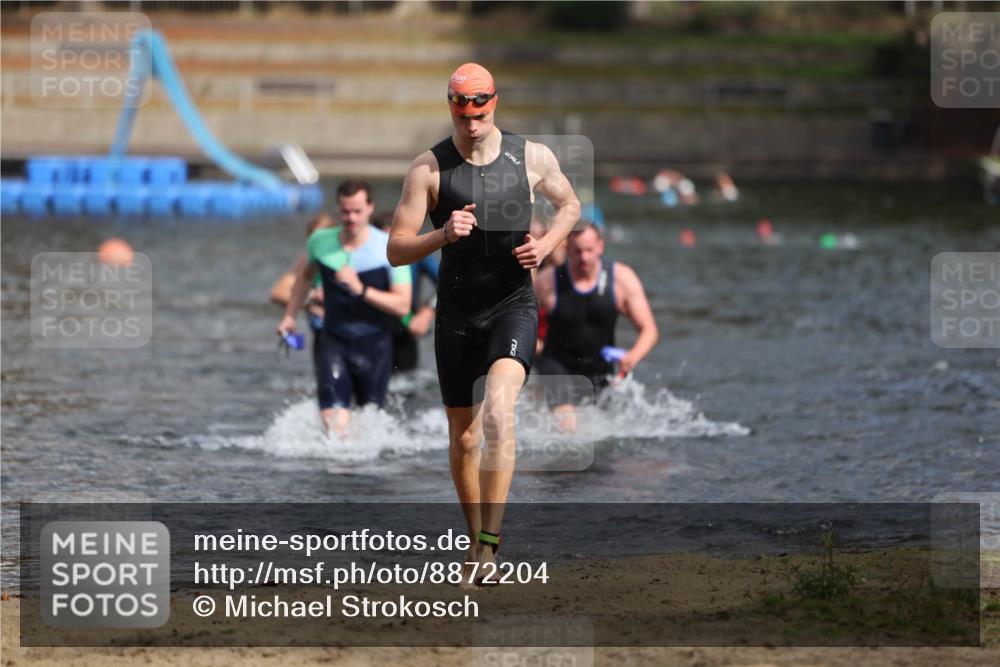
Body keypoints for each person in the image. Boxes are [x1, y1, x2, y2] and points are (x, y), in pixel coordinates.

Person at [387, 63, 580, 581]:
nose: (472, 122)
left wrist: (547, 243)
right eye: (461, 110)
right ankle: (475, 541)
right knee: (466, 440)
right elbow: (395, 250)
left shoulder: (532, 156)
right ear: (450, 106)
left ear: (495, 103)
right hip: (455, 315)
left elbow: (570, 205)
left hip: (512, 306)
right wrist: (442, 234)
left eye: (481, 110)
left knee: (499, 413)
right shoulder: (428, 170)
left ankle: (490, 548)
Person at [278, 181, 412, 436]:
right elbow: (304, 279)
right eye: (345, 211)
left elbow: (402, 304)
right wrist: (289, 316)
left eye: (357, 211)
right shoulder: (320, 241)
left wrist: (360, 289)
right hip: (334, 341)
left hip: (375, 345)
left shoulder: (389, 247)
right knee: (334, 424)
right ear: (338, 209)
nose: (351, 218)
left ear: (370, 208)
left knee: (368, 428)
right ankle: (335, 473)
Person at [533, 221, 659, 432]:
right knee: (568, 428)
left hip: (599, 368)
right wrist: (532, 346)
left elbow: (649, 330)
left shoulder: (622, 279)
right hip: (556, 364)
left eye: (589, 250)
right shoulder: (548, 281)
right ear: (567, 249)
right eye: (577, 251)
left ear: (600, 246)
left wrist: (633, 356)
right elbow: (521, 321)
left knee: (599, 433)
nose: (584, 258)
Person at [270, 213, 335, 417]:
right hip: (322, 334)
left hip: (349, 332)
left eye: (323, 237)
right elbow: (278, 292)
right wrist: (309, 301)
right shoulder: (308, 259)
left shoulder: (345, 254)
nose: (318, 243)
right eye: (313, 239)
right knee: (327, 389)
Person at [370, 211, 438, 373]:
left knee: (405, 385)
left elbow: (449, 282)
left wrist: (428, 311)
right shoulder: (362, 254)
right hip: (369, 328)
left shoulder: (415, 254)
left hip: (405, 327)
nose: (388, 249)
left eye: (391, 240)